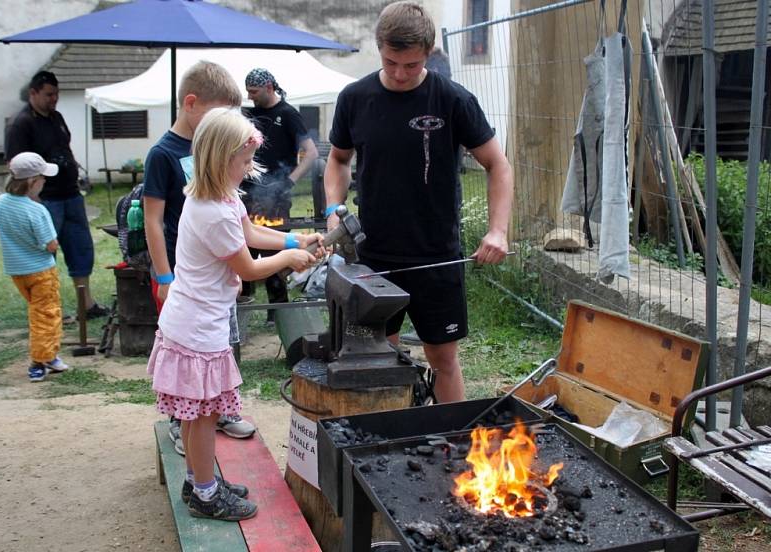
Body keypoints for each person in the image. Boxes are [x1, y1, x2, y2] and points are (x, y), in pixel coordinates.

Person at [324, 1, 514, 404]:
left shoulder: (453, 100)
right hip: (373, 255)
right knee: (379, 356)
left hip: (437, 254)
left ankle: (455, 451)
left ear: (428, 53)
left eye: (410, 65)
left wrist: (498, 229)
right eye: (391, 62)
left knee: (443, 358)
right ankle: (387, 442)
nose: (399, 73)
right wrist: (331, 210)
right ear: (380, 48)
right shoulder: (355, 98)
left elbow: (498, 164)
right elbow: (338, 160)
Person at [147, 107, 323, 520]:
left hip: (191, 319)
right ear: (219, 158)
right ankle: (206, 493)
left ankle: (198, 480)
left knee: (194, 412)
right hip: (198, 327)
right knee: (205, 415)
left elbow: (252, 233)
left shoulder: (217, 196)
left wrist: (295, 237)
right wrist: (290, 259)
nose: (248, 169)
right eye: (243, 162)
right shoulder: (213, 211)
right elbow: (247, 267)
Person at [142, 61, 253, 454]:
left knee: (219, 346)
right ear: (191, 103)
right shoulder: (162, 154)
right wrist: (164, 278)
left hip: (215, 271)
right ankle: (183, 422)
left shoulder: (216, 146)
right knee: (189, 356)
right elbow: (153, 221)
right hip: (186, 276)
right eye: (220, 113)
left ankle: (217, 410)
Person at [4, 71, 108, 319]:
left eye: (57, 94)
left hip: (70, 194)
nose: (54, 99)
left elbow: (64, 147)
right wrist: (31, 200)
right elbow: (14, 164)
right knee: (44, 255)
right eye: (49, 94)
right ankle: (46, 307)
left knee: (80, 249)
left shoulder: (56, 117)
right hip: (45, 200)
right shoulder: (21, 124)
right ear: (33, 93)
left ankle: (86, 304)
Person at [240, 68, 319, 321]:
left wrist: (289, 181)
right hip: (247, 192)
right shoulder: (249, 114)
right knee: (243, 247)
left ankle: (278, 310)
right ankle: (242, 303)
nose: (250, 97)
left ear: (269, 88)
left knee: (275, 251)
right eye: (248, 92)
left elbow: (312, 153)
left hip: (276, 195)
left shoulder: (287, 114)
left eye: (254, 92)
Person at [0, 152, 71, 382]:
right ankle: (39, 360)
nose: (45, 181)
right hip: (40, 270)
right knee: (46, 315)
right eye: (42, 177)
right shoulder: (37, 210)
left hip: (16, 270)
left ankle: (50, 355)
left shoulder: (1, 202)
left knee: (37, 313)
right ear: (31, 182)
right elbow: (50, 245)